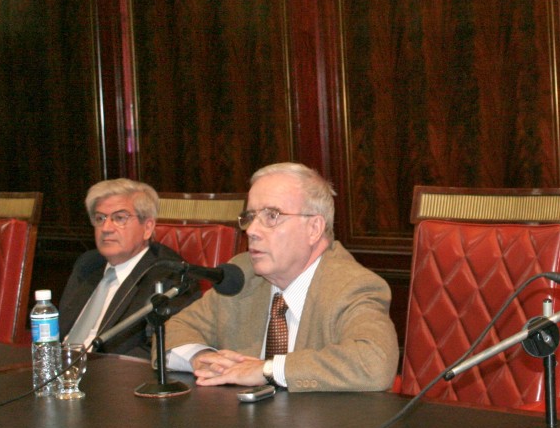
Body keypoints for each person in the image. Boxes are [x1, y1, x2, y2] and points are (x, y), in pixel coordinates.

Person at [163, 162, 399, 391]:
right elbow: (172, 330)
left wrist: (268, 370)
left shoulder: (351, 285)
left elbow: (375, 363)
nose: (252, 230)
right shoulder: (242, 274)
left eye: (271, 216)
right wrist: (201, 357)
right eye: (250, 216)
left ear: (314, 228)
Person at [59, 179, 200, 358]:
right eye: (100, 218)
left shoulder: (170, 276)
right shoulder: (88, 264)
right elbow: (58, 332)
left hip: (112, 376)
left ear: (147, 227)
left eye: (119, 218)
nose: (106, 228)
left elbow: (157, 349)